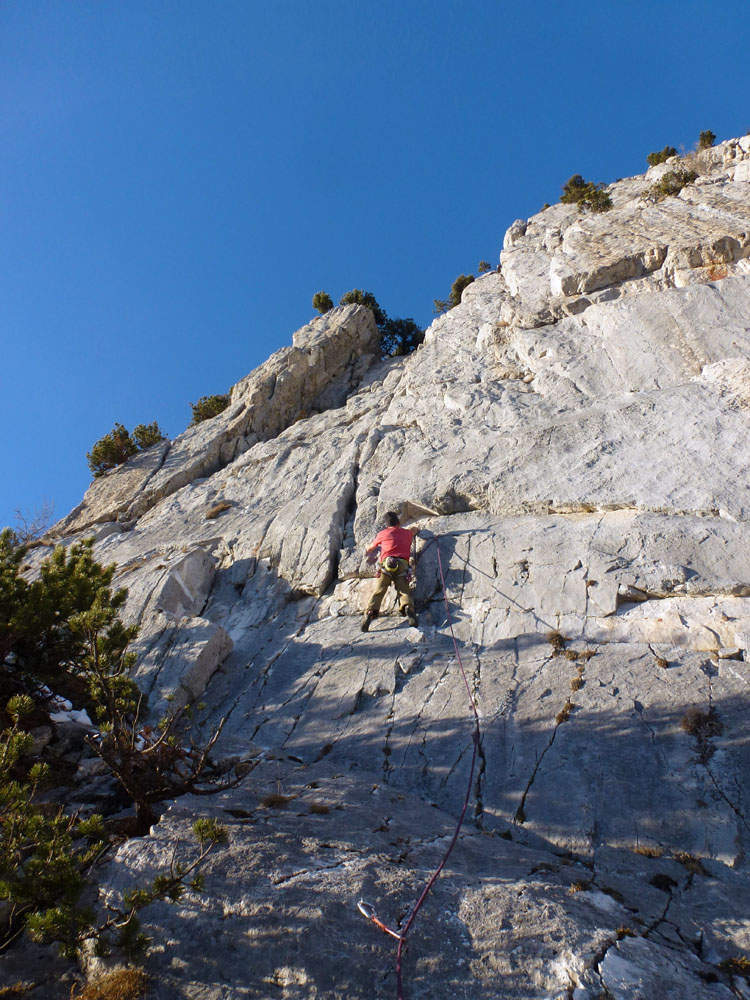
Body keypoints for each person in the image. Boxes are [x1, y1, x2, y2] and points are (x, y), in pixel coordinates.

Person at [361, 511, 419, 631]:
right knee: (403, 590)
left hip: (386, 565)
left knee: (379, 590)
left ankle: (370, 612)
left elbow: (370, 548)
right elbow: (414, 530)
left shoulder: (382, 533)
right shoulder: (406, 533)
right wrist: (415, 528)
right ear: (398, 523)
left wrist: (366, 546)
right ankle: (408, 607)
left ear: (387, 525)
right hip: (402, 565)